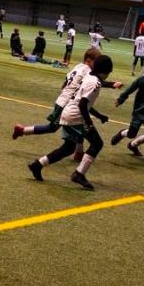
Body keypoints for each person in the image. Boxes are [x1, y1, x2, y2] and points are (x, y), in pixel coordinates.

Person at [28, 55, 114, 191]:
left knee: (68, 148)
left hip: (68, 112)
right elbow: (83, 104)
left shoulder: (90, 77)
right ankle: (79, 174)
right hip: (75, 117)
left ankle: (37, 165)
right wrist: (90, 123)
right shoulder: (95, 83)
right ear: (105, 71)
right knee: (97, 143)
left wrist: (100, 116)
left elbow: (83, 101)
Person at [12, 47, 122, 140]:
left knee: (68, 126)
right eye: (96, 62)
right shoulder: (87, 71)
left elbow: (69, 77)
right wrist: (112, 84)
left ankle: (78, 151)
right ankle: (22, 130)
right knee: (55, 127)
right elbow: (96, 81)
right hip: (66, 103)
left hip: (63, 100)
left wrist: (65, 84)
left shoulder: (78, 66)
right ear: (89, 60)